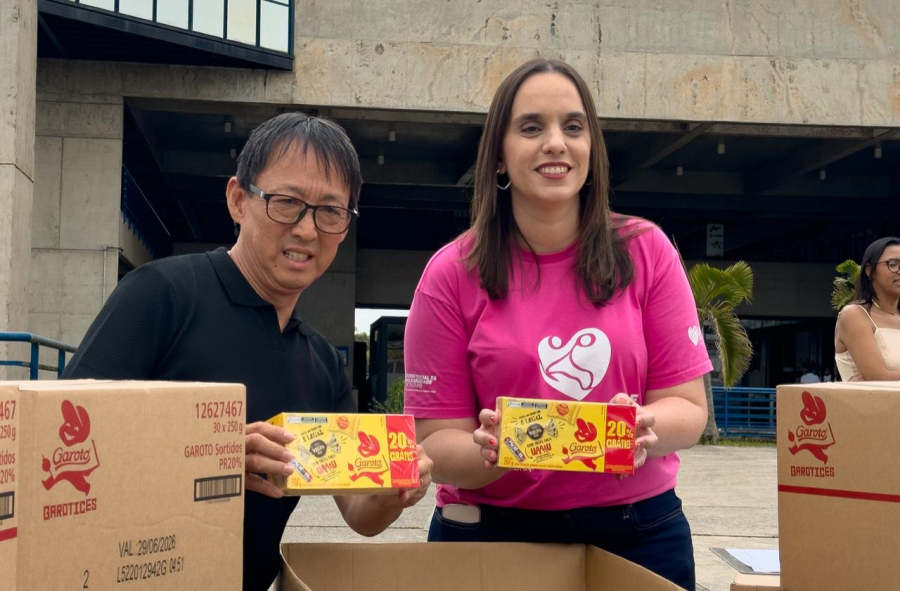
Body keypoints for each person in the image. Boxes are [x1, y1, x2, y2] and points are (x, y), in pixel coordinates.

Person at [62, 113, 433, 591]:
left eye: (330, 211)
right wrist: (210, 455)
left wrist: (396, 492)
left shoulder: (322, 364)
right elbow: (61, 443)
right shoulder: (161, 295)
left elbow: (359, 512)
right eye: (287, 203)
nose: (306, 229)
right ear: (238, 200)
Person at [402, 58, 711, 590]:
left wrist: (643, 428)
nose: (555, 143)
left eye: (573, 126)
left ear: (592, 149)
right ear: (498, 157)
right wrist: (498, 450)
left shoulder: (647, 250)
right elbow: (432, 440)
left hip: (638, 530)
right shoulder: (451, 273)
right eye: (530, 127)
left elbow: (688, 406)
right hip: (490, 534)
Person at [834, 237, 900, 381]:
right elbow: (879, 378)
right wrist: (879, 377)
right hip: (867, 403)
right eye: (893, 264)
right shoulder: (855, 315)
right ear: (869, 270)